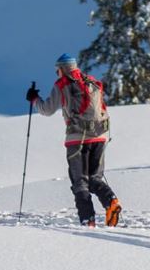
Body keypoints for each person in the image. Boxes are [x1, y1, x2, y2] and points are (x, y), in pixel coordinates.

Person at [26, 54, 122, 227]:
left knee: (80, 182)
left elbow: (47, 109)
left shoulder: (62, 84)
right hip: (100, 136)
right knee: (95, 178)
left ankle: (88, 220)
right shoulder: (91, 81)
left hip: (77, 138)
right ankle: (111, 201)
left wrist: (34, 99)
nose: (57, 74)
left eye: (57, 71)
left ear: (63, 69)